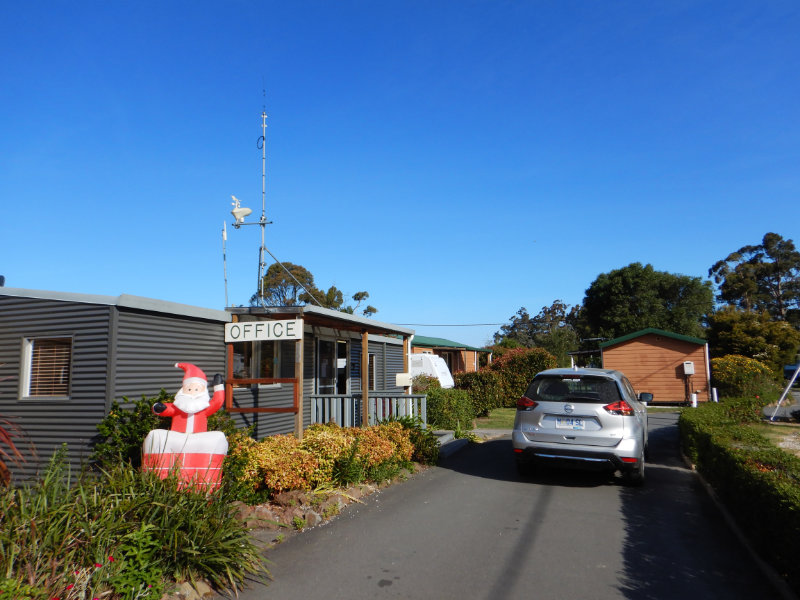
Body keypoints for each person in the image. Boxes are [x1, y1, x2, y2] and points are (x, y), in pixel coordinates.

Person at [142, 363, 228, 488]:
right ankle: (160, 477)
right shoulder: (178, 407)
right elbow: (167, 409)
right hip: (177, 436)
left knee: (216, 438)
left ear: (203, 391)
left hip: (198, 437)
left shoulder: (204, 408)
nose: (192, 393)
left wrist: (218, 386)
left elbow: (218, 401)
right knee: (156, 436)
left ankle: (201, 482)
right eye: (189, 389)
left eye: (196, 389)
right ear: (183, 390)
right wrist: (159, 408)